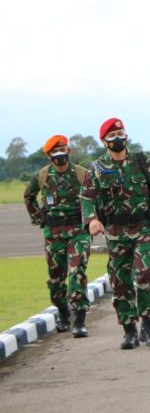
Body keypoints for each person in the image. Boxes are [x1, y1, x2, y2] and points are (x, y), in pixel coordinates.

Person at [80, 118, 150, 349]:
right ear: (104, 141)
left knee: (146, 273)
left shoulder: (142, 161)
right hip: (115, 231)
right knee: (120, 281)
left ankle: (149, 326)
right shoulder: (97, 168)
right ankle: (129, 329)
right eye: (112, 136)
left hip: (143, 227)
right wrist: (92, 219)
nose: (118, 138)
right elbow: (87, 197)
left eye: (120, 133)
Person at [23, 135, 92, 337]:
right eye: (55, 151)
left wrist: (92, 219)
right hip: (53, 235)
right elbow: (28, 196)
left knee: (77, 271)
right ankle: (63, 312)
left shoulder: (82, 174)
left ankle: (79, 320)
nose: (60, 154)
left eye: (63, 149)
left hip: (78, 232)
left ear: (69, 152)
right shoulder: (42, 176)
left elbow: (95, 195)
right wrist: (38, 218)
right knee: (56, 279)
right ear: (49, 155)